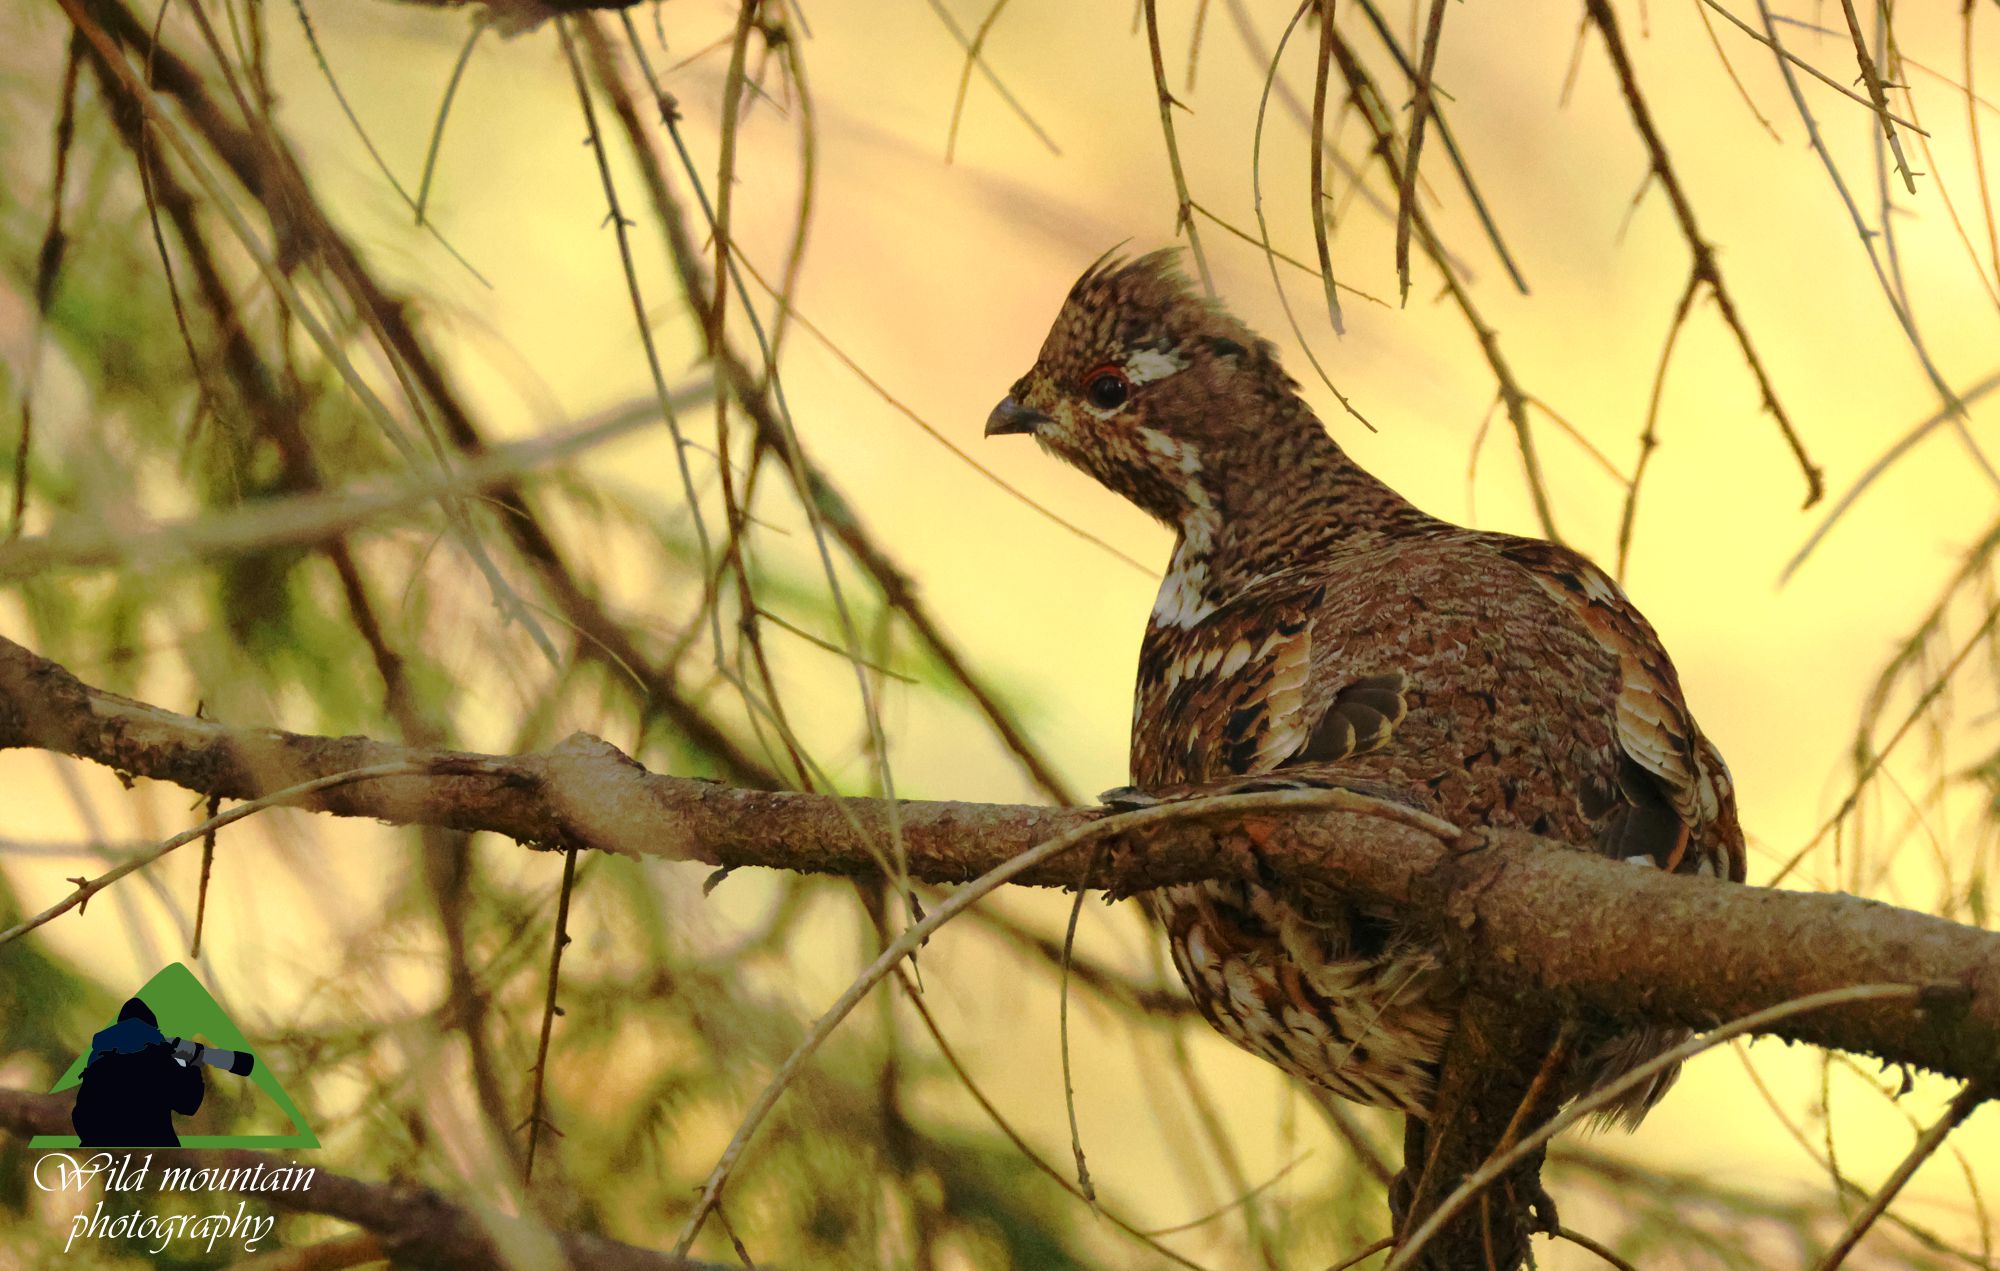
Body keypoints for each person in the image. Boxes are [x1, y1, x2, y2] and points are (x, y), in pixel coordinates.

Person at [70, 998, 204, 1148]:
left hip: (99, 1149)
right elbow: (188, 1104)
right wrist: (192, 1065)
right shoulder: (160, 1058)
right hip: (151, 1150)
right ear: (153, 1029)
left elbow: (81, 1115)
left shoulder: (100, 1055)